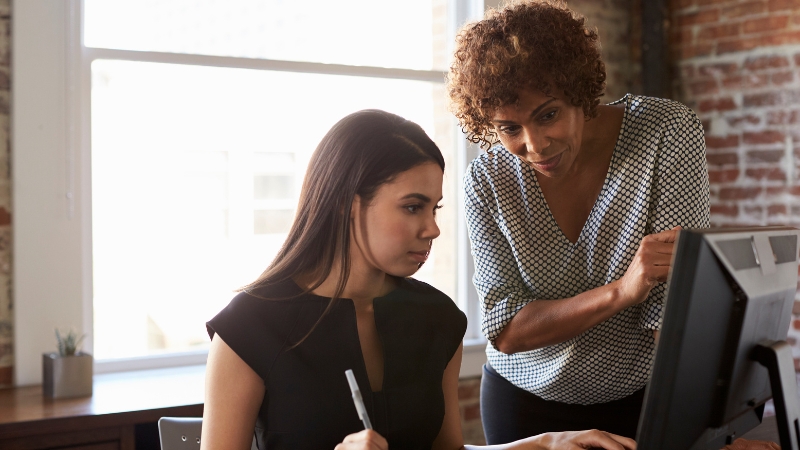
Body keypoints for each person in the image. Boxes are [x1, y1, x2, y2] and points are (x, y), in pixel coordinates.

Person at [201, 109, 637, 450]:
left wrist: (546, 443)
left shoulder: (437, 319)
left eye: (435, 209)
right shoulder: (248, 330)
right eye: (413, 207)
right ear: (346, 205)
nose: (432, 229)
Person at [446, 0, 710, 444]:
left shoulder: (666, 131)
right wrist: (622, 291)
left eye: (548, 114)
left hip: (641, 398)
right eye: (509, 128)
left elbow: (672, 309)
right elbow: (506, 328)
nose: (535, 145)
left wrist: (701, 430)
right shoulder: (486, 179)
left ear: (580, 91)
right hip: (522, 403)